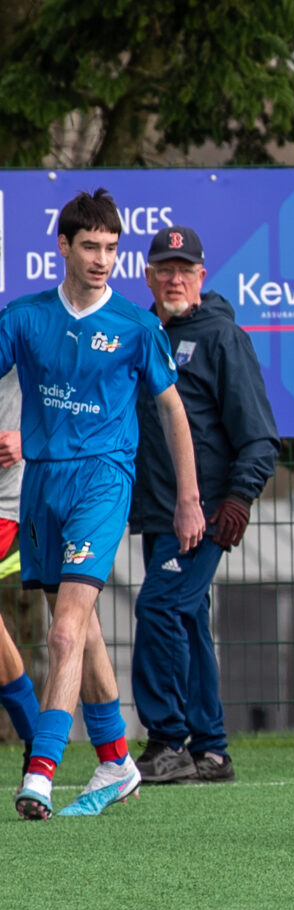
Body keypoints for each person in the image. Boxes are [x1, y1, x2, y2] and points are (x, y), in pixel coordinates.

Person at [0, 188, 205, 820]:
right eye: (90, 246)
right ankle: (117, 760)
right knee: (82, 629)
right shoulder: (24, 318)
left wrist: (189, 499)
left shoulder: (137, 326)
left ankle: (41, 771)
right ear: (63, 246)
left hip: (104, 481)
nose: (101, 259)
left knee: (65, 629)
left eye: (111, 248)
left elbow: (172, 411)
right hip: (42, 486)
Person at [131, 225, 280, 786]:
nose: (175, 279)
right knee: (188, 620)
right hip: (156, 513)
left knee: (159, 609)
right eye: (165, 270)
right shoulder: (141, 333)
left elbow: (259, 437)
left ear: (202, 276)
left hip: (202, 515)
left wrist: (238, 499)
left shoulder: (222, 337)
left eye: (185, 270)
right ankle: (211, 750)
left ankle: (168, 741)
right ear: (148, 276)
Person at [0, 368, 45, 782]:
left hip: (7, 502)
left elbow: (70, 390)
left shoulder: (22, 337)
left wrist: (28, 438)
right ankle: (36, 736)